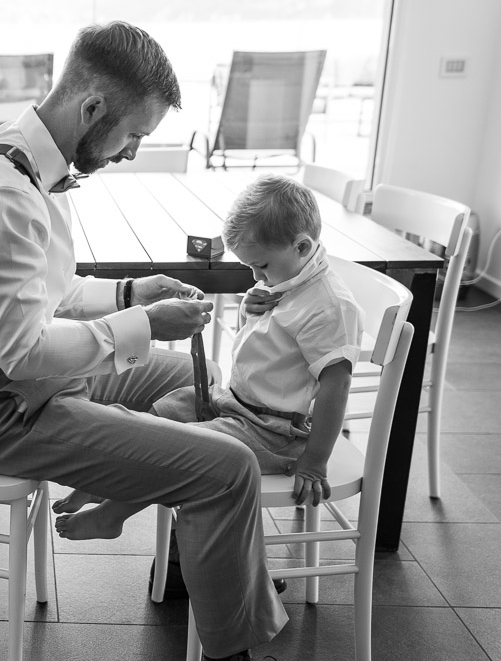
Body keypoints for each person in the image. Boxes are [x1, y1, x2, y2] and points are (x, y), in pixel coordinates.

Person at [0, 21, 359, 661]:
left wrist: (129, 294)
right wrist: (143, 323)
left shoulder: (27, 162)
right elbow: (24, 351)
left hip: (31, 381)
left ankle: (199, 559)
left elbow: (41, 297)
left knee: (205, 385)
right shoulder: (2, 191)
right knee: (227, 464)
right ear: (91, 106)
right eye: (132, 134)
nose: (130, 152)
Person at [57, 174, 363, 542]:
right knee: (158, 417)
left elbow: (336, 386)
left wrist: (314, 461)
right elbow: (269, 346)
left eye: (262, 266)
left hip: (274, 431)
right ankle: (110, 481)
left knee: (177, 449)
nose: (256, 275)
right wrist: (249, 309)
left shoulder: (328, 305)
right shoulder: (288, 277)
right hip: (236, 402)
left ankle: (112, 514)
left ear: (302, 246)